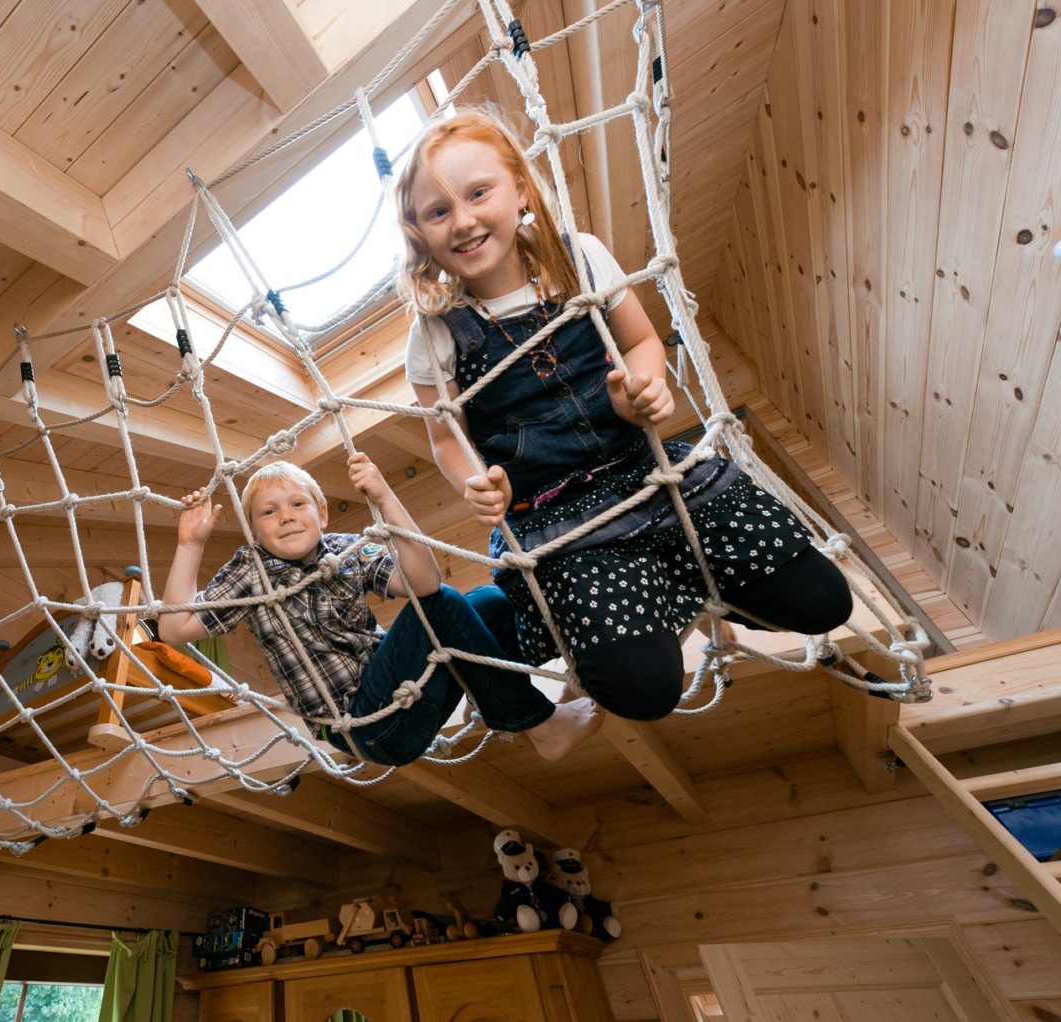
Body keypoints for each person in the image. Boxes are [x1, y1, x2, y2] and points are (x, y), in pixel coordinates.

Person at [398, 109, 852, 721]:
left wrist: (642, 388)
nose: (463, 220)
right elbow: (444, 437)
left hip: (648, 475)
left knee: (825, 602)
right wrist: (474, 482)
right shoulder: (434, 334)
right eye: (438, 211)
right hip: (558, 521)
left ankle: (697, 592)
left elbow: (639, 341)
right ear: (420, 233)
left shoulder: (577, 259)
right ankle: (651, 612)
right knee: (643, 693)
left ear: (521, 189)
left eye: (479, 193)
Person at [156, 455, 603, 766]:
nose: (286, 516)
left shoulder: (346, 550)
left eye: (297, 504)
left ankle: (491, 700)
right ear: (254, 532)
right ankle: (538, 723)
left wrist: (386, 497)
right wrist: (190, 544)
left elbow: (424, 582)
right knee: (444, 605)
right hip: (365, 726)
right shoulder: (252, 571)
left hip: (404, 696)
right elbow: (175, 629)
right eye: (268, 512)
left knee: (487, 600)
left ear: (322, 514)